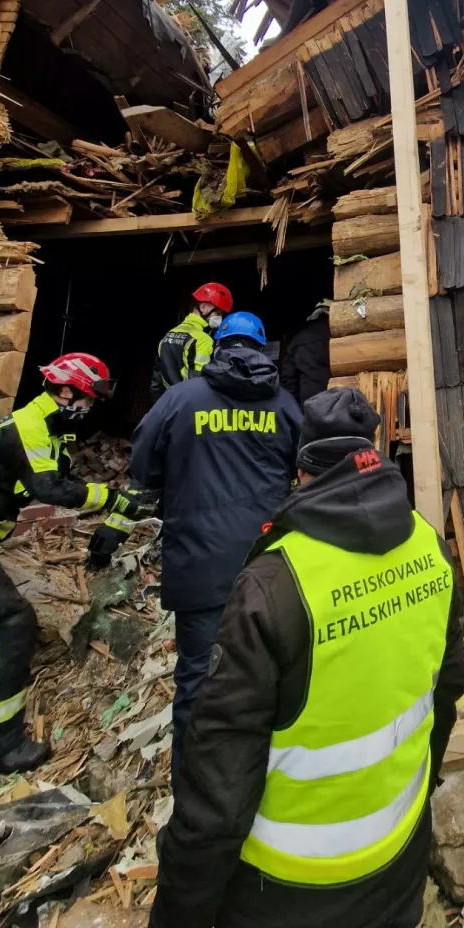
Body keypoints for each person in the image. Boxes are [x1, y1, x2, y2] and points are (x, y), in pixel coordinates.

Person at [145, 387, 464, 928]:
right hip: (394, 882)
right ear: (372, 456)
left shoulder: (273, 588)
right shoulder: (431, 549)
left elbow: (216, 802)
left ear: (302, 473)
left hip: (286, 913)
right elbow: (445, 699)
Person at [90, 311, 302, 784]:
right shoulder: (286, 406)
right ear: (262, 348)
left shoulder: (180, 400)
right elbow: (302, 474)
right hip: (269, 568)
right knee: (270, 676)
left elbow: (144, 468)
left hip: (198, 566)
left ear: (219, 345)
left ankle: (194, 792)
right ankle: (262, 782)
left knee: (197, 683)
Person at [0, 354, 141, 774]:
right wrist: (111, 499)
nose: (90, 409)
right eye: (88, 399)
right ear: (66, 390)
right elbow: (52, 488)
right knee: (8, 623)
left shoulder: (50, 428)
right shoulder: (29, 426)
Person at [150, 282, 233, 402]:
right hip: (189, 407)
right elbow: (199, 385)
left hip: (168, 405)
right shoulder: (203, 340)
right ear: (203, 307)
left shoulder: (167, 336)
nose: (219, 318)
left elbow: (156, 384)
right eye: (218, 313)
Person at [279, 300, 330, 406]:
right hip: (338, 405)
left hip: (308, 406)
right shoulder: (342, 336)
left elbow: (288, 380)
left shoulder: (297, 337)